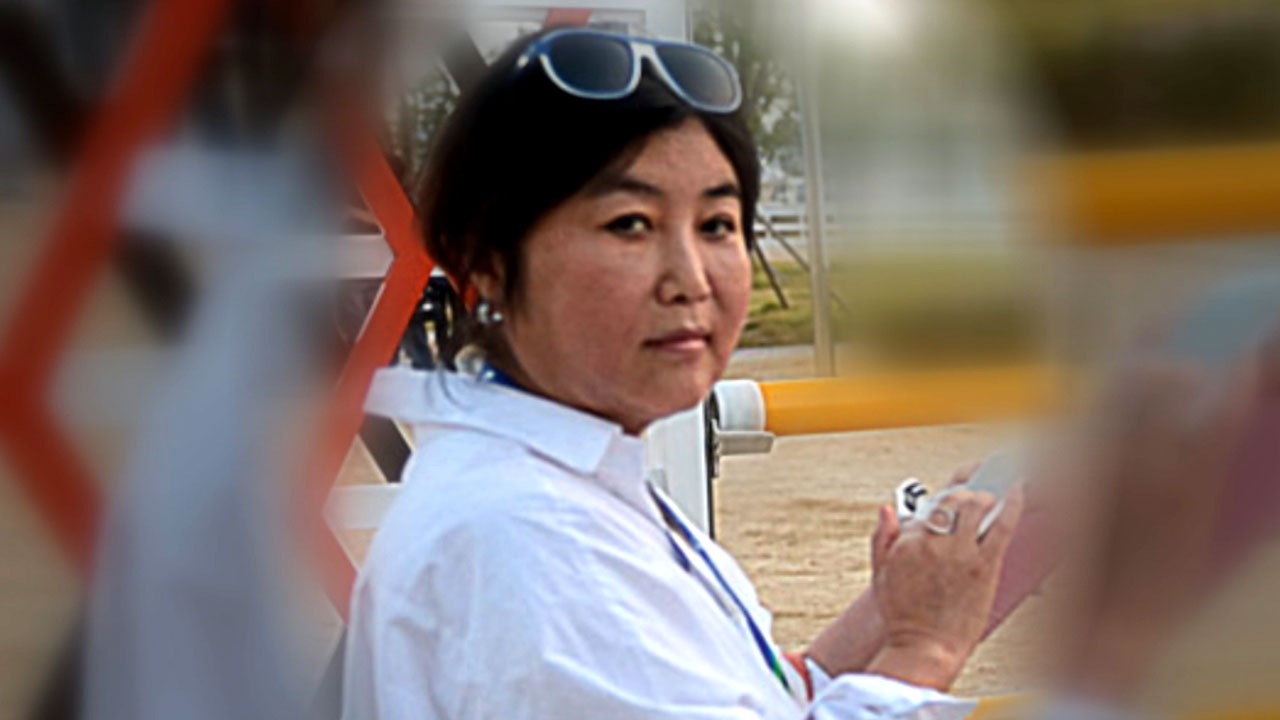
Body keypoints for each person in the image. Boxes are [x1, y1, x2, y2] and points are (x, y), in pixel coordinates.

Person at [342, 27, 1023, 720]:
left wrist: (903, 599)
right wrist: (924, 646)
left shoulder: (564, 481)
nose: (691, 279)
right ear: (487, 261)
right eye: (630, 224)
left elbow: (766, 699)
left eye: (717, 224)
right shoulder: (523, 541)